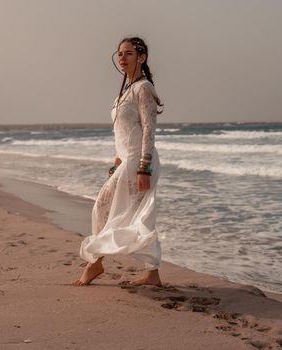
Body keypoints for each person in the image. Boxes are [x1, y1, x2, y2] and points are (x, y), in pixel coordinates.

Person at [73, 36, 164, 287]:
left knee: (127, 213)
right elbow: (123, 132)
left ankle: (96, 263)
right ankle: (150, 272)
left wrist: (144, 167)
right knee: (123, 213)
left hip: (139, 161)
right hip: (126, 161)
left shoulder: (143, 88)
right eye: (119, 54)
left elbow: (148, 130)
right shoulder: (125, 91)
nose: (122, 58)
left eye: (128, 53)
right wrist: (116, 161)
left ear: (142, 58)